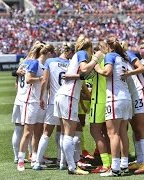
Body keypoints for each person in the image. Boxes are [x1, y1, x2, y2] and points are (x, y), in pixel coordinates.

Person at [54, 35, 102, 175]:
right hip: (68, 96)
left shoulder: (75, 57)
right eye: (92, 49)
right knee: (69, 133)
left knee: (64, 132)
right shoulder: (81, 54)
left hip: (64, 95)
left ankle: (64, 162)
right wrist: (95, 58)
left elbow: (81, 76)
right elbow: (85, 69)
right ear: (89, 48)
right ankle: (72, 167)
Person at [32, 42, 75, 170]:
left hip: (53, 101)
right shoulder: (71, 64)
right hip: (66, 100)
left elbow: (44, 81)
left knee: (46, 133)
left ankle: (37, 162)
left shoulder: (50, 61)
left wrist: (41, 97)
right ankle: (62, 162)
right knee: (63, 132)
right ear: (70, 52)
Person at [94, 36, 132, 177]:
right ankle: (124, 165)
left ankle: (115, 168)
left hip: (115, 98)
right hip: (125, 97)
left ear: (108, 46)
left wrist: (97, 66)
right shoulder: (123, 57)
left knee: (113, 133)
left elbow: (106, 72)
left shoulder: (110, 56)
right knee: (122, 133)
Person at [16, 42, 54, 171]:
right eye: (51, 53)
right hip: (31, 101)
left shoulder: (44, 65)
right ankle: (20, 160)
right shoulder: (35, 63)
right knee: (27, 132)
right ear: (47, 53)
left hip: (41, 101)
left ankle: (35, 157)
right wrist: (41, 79)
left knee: (38, 133)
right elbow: (28, 79)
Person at [121, 41, 144, 174]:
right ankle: (140, 160)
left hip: (140, 93)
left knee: (140, 128)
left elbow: (142, 69)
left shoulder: (127, 54)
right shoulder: (117, 58)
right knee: (135, 129)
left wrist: (129, 73)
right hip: (133, 95)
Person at [89, 42, 111, 173]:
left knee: (95, 131)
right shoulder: (111, 59)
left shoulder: (98, 59)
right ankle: (113, 160)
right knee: (108, 133)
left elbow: (85, 72)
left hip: (98, 100)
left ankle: (106, 163)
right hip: (110, 99)